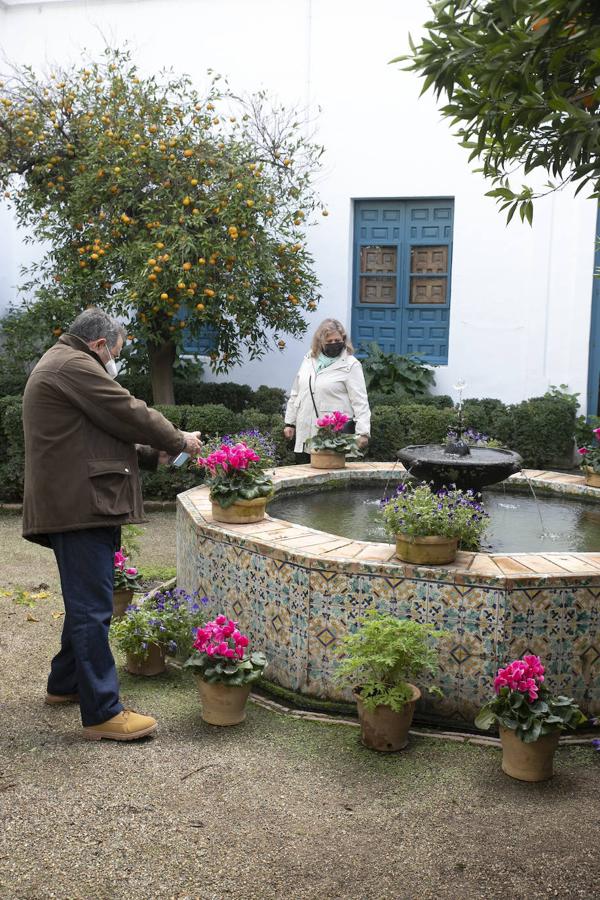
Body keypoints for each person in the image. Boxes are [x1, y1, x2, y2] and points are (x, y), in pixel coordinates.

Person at [22, 308, 203, 742]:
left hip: (77, 501)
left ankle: (63, 684)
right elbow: (126, 409)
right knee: (93, 609)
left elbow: (99, 428)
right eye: (116, 353)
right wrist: (179, 441)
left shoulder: (62, 363)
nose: (114, 362)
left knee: (87, 600)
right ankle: (103, 711)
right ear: (100, 344)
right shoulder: (75, 364)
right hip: (79, 506)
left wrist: (147, 451)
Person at [283, 318, 371, 462]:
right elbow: (296, 392)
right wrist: (290, 423)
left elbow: (360, 401)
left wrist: (363, 432)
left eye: (337, 340)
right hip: (305, 432)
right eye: (328, 342)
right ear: (320, 342)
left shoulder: (351, 365)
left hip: (334, 435)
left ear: (343, 339)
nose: (333, 344)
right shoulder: (308, 359)